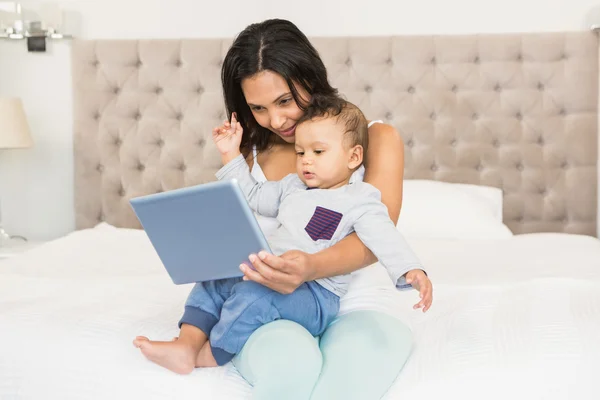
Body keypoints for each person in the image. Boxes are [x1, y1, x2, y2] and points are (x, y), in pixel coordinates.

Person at [133, 18, 433, 393]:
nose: (275, 120)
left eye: (285, 100)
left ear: (311, 78)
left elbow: (376, 236)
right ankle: (190, 345)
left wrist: (308, 268)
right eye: (258, 108)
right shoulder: (252, 156)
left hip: (359, 301)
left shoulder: (376, 139)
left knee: (347, 383)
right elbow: (239, 219)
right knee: (289, 371)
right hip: (269, 301)